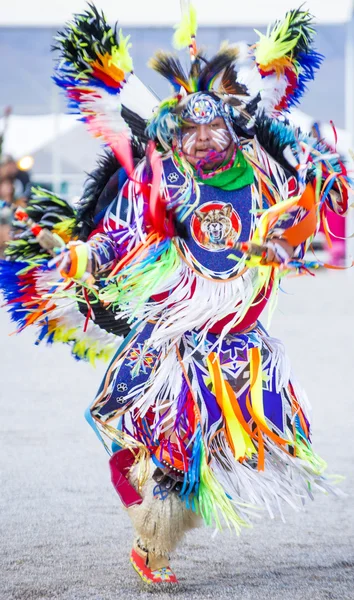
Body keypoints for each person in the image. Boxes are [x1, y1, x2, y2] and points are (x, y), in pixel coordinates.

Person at [0, 4, 350, 585]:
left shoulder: (265, 167)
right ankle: (152, 539)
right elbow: (120, 239)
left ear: (233, 129)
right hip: (180, 328)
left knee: (228, 446)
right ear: (174, 135)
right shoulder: (166, 183)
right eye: (191, 131)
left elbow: (309, 211)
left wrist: (287, 240)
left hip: (239, 335)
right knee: (164, 442)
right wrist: (79, 255)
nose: (204, 138)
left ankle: (163, 506)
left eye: (214, 127)